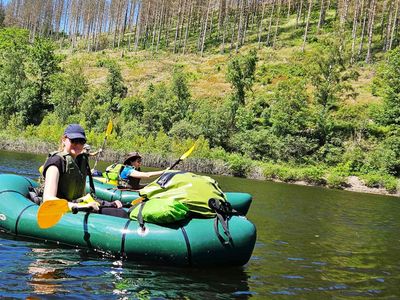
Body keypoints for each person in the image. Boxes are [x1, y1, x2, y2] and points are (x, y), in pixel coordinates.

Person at [42, 124, 127, 218]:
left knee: (120, 212)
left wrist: (108, 203)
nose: (78, 145)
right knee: (120, 214)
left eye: (81, 141)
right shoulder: (56, 162)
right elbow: (48, 199)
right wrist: (79, 206)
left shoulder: (80, 161)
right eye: (74, 141)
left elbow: (82, 196)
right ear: (64, 139)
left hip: (76, 205)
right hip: (64, 210)